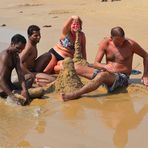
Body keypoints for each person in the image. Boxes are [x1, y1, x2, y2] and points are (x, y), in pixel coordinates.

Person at [61, 26, 148, 101]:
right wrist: (105, 66)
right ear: (111, 38)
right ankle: (66, 85)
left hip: (121, 77)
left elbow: (146, 55)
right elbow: (96, 64)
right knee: (75, 67)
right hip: (105, 72)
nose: (120, 44)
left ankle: (76, 94)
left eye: (122, 40)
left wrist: (145, 75)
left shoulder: (131, 44)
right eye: (117, 42)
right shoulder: (105, 43)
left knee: (102, 76)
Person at [0, 34, 30, 105]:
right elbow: (0, 79)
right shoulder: (5, 56)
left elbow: (20, 74)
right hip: (2, 88)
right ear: (12, 44)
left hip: (9, 84)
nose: (20, 51)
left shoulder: (15, 56)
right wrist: (12, 96)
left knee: (30, 77)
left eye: (22, 49)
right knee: (20, 102)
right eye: (18, 48)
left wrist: (24, 90)